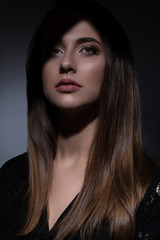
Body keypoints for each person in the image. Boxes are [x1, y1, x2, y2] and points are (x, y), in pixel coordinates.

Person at [0, 0, 160, 239]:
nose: (65, 63)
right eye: (54, 49)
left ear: (114, 68)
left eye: (87, 49)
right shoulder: (10, 177)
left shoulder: (148, 189)